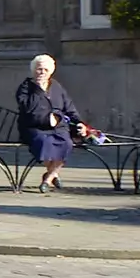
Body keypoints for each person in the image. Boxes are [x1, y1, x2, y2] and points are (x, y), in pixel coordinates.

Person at [16, 53, 87, 193]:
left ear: (51, 71)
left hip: (58, 126)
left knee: (66, 143)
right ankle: (53, 174)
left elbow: (69, 106)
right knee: (43, 143)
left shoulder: (56, 86)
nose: (42, 72)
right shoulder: (26, 87)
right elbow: (27, 108)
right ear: (33, 70)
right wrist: (39, 89)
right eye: (39, 69)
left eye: (45, 70)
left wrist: (79, 122)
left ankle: (48, 178)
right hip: (34, 126)